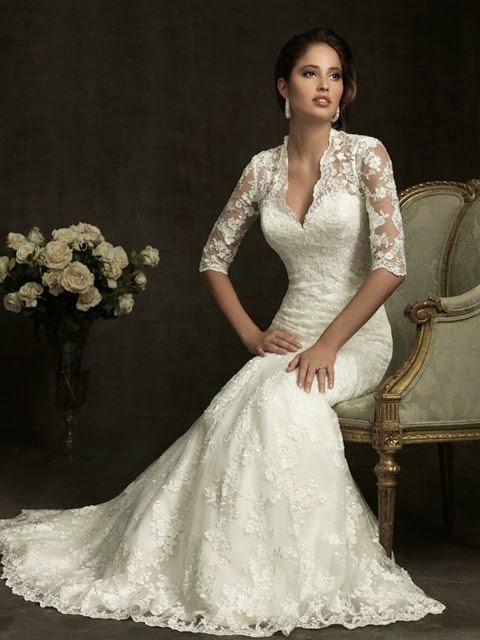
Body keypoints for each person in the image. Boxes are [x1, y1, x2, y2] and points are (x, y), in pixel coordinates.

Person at [0, 26, 445, 637]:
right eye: (310, 73)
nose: (325, 86)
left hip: (354, 338)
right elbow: (213, 258)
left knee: (284, 402)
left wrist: (328, 345)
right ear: (283, 86)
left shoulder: (368, 155)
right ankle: (224, 568)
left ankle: (294, 573)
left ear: (346, 91)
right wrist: (251, 335)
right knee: (241, 405)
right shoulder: (262, 169)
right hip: (289, 332)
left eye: (335, 75)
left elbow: (391, 266)